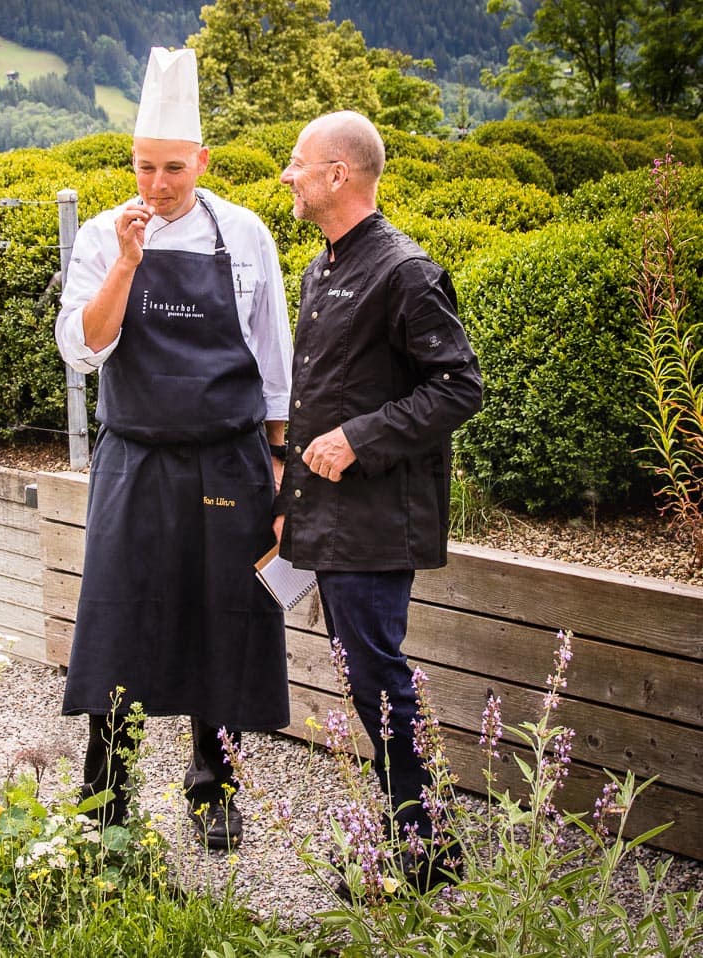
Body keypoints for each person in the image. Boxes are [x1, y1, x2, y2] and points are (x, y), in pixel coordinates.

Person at [55, 47, 293, 850]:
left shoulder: (247, 234)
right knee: (118, 619)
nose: (157, 186)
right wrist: (127, 262)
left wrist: (281, 463)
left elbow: (274, 356)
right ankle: (106, 792)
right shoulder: (99, 235)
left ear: (202, 160)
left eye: (173, 170)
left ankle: (212, 787)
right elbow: (83, 348)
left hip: (229, 459)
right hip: (135, 457)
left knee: (222, 618)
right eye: (144, 168)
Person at [275, 110, 483, 889]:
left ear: (339, 174)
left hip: (375, 521)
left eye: (299, 163)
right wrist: (287, 494)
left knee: (379, 678)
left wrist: (361, 436)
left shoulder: (405, 270)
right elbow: (317, 394)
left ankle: (426, 852)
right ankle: (416, 841)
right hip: (325, 515)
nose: (287, 176)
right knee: (368, 679)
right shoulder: (323, 267)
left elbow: (461, 386)